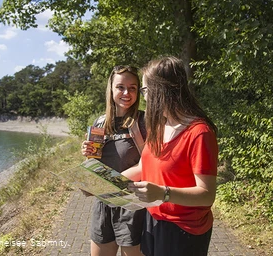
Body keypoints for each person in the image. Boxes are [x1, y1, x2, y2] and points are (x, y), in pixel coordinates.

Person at [123, 56, 219, 256]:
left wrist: (162, 193)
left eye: (145, 90)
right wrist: (102, 183)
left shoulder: (199, 133)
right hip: (153, 219)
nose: (145, 97)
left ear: (161, 90)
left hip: (183, 230)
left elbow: (207, 195)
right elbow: (143, 168)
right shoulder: (160, 126)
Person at [81, 65, 147, 256]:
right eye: (120, 87)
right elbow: (93, 164)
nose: (126, 93)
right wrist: (87, 154)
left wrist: (113, 182)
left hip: (132, 204)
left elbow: (150, 163)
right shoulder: (100, 122)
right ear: (111, 89)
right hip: (104, 202)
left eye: (132, 88)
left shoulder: (144, 121)